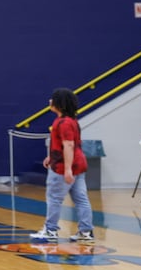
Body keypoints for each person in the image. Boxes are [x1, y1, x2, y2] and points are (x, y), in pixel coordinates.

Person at [31, 88, 95, 244]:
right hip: (78, 164)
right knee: (81, 199)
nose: (50, 101)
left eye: (52, 99)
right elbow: (64, 145)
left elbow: (69, 145)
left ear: (59, 103)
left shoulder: (63, 123)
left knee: (54, 198)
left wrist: (67, 169)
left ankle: (51, 230)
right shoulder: (72, 121)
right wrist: (50, 156)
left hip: (64, 167)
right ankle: (85, 232)